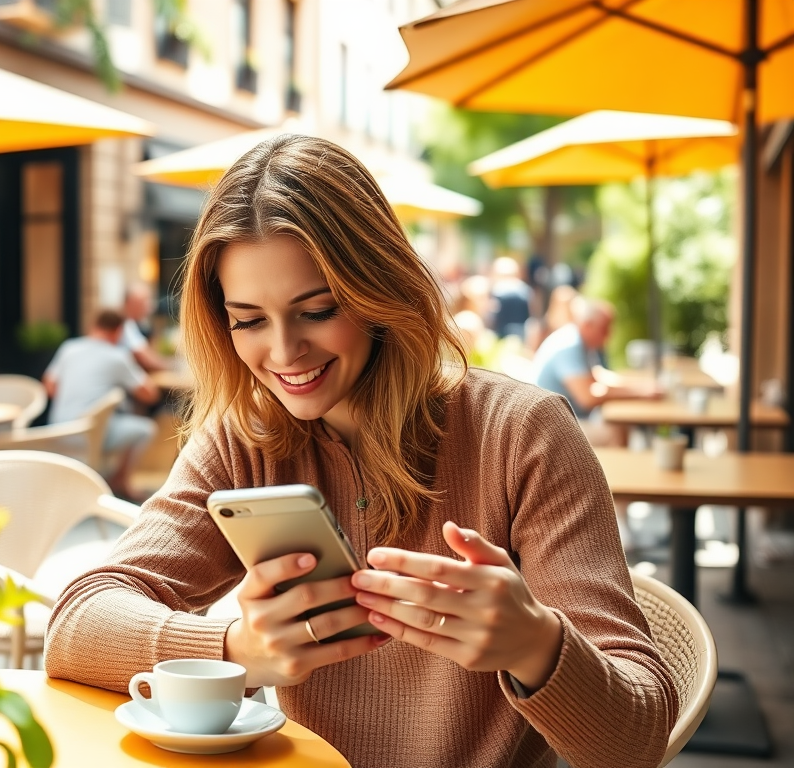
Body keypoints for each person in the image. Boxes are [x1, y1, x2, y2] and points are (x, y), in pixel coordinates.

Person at [46, 136, 676, 768]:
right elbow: (76, 623)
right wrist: (236, 649)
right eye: (249, 321)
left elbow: (637, 741)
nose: (285, 352)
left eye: (316, 310)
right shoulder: (247, 439)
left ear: (379, 287)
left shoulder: (523, 434)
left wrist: (536, 644)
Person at [43, 309, 160, 501]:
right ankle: (120, 481)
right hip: (91, 434)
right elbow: (149, 394)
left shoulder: (69, 348)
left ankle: (106, 477)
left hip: (57, 430)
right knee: (145, 429)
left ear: (93, 326)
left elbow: (49, 386)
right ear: (118, 332)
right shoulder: (117, 356)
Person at [532, 295, 661, 445]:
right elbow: (587, 398)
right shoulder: (570, 345)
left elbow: (597, 376)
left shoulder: (578, 340)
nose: (608, 336)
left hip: (563, 421)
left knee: (619, 424)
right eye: (604, 329)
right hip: (551, 430)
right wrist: (640, 393)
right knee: (615, 431)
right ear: (588, 325)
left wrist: (638, 387)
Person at [119, 282, 173, 373]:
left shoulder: (133, 324)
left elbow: (150, 354)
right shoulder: (124, 326)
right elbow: (147, 360)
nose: (149, 306)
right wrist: (173, 365)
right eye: (144, 302)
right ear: (131, 303)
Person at [489, 256, 535, 340]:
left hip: (500, 336)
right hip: (521, 335)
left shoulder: (497, 290)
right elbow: (533, 314)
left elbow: (491, 315)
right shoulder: (526, 290)